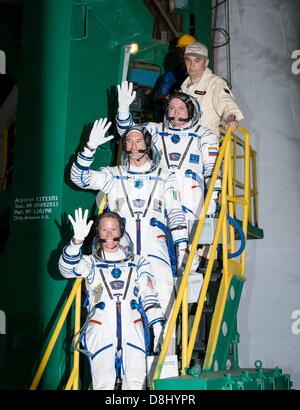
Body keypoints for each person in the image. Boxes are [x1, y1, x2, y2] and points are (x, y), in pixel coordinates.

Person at [70, 118, 189, 322]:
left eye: (139, 141)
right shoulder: (114, 175)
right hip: (121, 255)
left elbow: (177, 216)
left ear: (148, 144)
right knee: (123, 317)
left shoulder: (165, 176)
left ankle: (165, 352)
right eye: (129, 142)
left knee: (165, 306)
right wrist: (89, 148)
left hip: (156, 252)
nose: (134, 147)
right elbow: (79, 178)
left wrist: (183, 253)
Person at [59, 209, 164, 390]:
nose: (109, 235)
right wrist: (76, 242)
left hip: (133, 327)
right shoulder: (90, 262)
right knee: (103, 383)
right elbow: (66, 270)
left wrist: (157, 325)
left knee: (136, 382)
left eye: (114, 230)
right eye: (104, 230)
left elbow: (149, 294)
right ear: (98, 233)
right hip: (101, 329)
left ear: (121, 231)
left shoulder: (138, 262)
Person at [116, 81, 222, 241]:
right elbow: (129, 134)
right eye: (172, 108)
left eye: (181, 108)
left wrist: (213, 197)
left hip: (191, 190)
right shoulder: (156, 130)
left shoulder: (205, 135)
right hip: (160, 187)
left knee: (194, 234)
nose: (176, 113)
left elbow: (212, 168)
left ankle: (191, 259)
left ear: (191, 110)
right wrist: (123, 111)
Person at [180, 41, 244, 137]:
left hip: (205, 144)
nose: (192, 65)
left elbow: (225, 101)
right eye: (188, 60)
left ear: (206, 62)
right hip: (184, 141)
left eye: (197, 61)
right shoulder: (184, 86)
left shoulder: (215, 83)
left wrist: (231, 117)